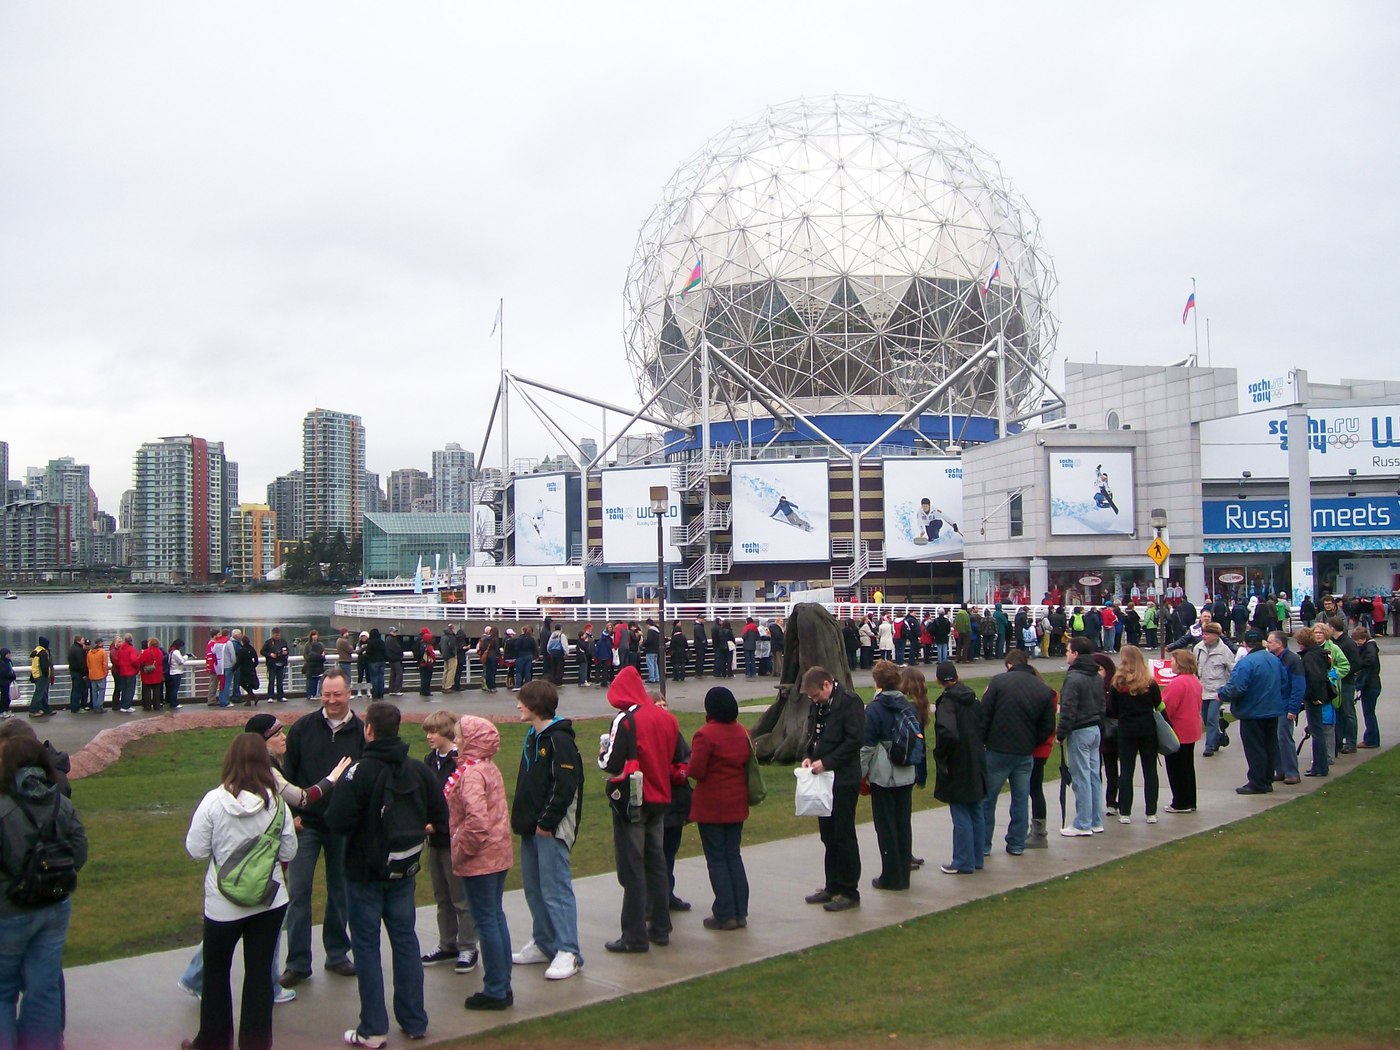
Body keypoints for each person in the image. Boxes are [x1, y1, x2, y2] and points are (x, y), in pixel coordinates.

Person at [179, 713, 350, 1004]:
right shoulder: (270, 781)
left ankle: (198, 977)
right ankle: (266, 986)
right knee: (265, 930)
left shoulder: (216, 797)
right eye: (276, 734)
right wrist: (332, 779)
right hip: (264, 877)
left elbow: (197, 848)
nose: (284, 737)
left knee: (225, 929)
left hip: (226, 880)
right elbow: (301, 801)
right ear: (261, 744)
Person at [326, 702, 444, 1044]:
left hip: (364, 873)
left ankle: (373, 1028)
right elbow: (440, 814)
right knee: (405, 941)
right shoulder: (417, 770)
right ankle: (414, 1020)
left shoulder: (358, 772)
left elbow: (337, 821)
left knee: (366, 947)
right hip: (403, 869)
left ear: (369, 730)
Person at [181, 734, 296, 1050]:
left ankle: (212, 1042)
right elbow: (289, 850)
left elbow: (196, 849)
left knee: (216, 974)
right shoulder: (277, 804)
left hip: (223, 905)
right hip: (269, 902)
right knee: (259, 976)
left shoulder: (213, 801)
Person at [0, 732, 88, 1050]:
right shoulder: (61, 802)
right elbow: (79, 853)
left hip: (9, 911)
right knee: (44, 987)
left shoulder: (3, 807)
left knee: (3, 991)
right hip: (54, 907)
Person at [279, 668, 364, 988]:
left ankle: (337, 953)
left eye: (337, 694)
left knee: (340, 891)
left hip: (343, 827)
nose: (331, 700)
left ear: (349, 694)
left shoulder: (361, 731)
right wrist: (292, 816)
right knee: (298, 892)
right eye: (326, 694)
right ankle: (298, 962)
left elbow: (367, 777)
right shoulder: (303, 728)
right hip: (307, 825)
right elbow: (287, 776)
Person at [598, 666, 681, 951]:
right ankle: (661, 926)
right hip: (661, 796)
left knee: (632, 866)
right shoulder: (666, 718)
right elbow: (675, 755)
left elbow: (611, 762)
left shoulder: (626, 719)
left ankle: (634, 934)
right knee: (656, 861)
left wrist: (602, 753)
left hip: (634, 798)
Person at [509, 679, 584, 980]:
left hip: (550, 829)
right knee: (534, 888)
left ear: (536, 706)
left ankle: (568, 950)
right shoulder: (533, 736)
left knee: (555, 889)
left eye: (523, 701)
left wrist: (547, 823)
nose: (518, 706)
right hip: (531, 827)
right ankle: (544, 942)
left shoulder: (559, 741)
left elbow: (565, 787)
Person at [444, 715, 515, 1011]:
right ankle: (502, 984)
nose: (456, 740)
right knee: (495, 917)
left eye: (459, 736)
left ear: (472, 741)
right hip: (497, 854)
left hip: (481, 859)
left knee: (486, 920)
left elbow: (476, 821)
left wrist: (461, 850)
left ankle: (496, 989)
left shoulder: (472, 774)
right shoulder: (487, 767)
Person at [799, 665, 865, 912]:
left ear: (826, 685)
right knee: (827, 834)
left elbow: (854, 740)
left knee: (843, 834)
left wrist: (828, 762)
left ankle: (849, 890)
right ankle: (832, 885)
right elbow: (813, 734)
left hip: (843, 778)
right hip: (822, 779)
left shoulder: (849, 702)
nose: (814, 700)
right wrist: (808, 755)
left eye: (816, 695)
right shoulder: (817, 705)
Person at [978, 648, 1057, 855]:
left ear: (1009, 666)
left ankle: (984, 844)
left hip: (998, 749)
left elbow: (984, 714)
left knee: (988, 799)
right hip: (1024, 751)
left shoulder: (998, 682)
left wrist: (984, 740)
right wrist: (1031, 742)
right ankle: (1016, 843)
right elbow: (1048, 726)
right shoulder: (1043, 689)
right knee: (1021, 799)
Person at [418, 712, 478, 975]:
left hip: (453, 837)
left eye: (434, 732)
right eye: (427, 732)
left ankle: (468, 945)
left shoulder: (459, 762)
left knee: (460, 897)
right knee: (441, 894)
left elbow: (460, 802)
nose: (429, 737)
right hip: (434, 838)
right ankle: (447, 942)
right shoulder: (429, 760)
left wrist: (440, 824)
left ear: (448, 733)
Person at [688, 685, 751, 930]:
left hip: (712, 806)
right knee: (733, 855)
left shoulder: (705, 735)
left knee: (716, 859)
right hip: (736, 802)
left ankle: (725, 912)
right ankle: (740, 910)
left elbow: (696, 770)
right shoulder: (743, 732)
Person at [861, 660, 918, 890]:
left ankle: (891, 876)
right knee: (903, 824)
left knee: (886, 827)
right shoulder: (908, 706)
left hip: (884, 776)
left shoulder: (875, 709)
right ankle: (903, 873)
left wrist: (859, 774)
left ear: (877, 682)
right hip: (906, 772)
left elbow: (867, 747)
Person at [932, 662, 986, 874]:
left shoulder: (948, 702)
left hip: (958, 760)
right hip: (976, 756)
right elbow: (983, 723)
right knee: (975, 808)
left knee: (961, 809)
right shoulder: (972, 697)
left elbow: (947, 732)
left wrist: (941, 754)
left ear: (939, 680)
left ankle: (963, 860)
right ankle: (977, 857)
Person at [1217, 630, 1287, 795]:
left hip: (1252, 711)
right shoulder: (1274, 660)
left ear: (1245, 644)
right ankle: (1267, 779)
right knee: (1269, 745)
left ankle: (1257, 782)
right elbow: (1284, 681)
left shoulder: (1247, 663)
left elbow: (1237, 687)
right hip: (1272, 710)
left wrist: (1222, 694)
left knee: (1255, 748)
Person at [1107, 645, 1162, 824]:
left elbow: (1113, 709)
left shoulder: (1118, 683)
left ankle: (1125, 812)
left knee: (1126, 771)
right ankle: (1151, 812)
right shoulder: (1150, 683)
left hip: (1126, 729)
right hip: (1147, 728)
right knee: (1150, 770)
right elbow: (1158, 704)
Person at [1057, 637, 1106, 836]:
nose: (1066, 654)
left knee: (1081, 777)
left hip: (1080, 729)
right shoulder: (1096, 675)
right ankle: (1095, 820)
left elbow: (1068, 708)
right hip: (1094, 728)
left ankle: (1083, 823)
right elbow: (1102, 704)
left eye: (1068, 651)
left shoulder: (1074, 677)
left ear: (1076, 654)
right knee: (1093, 775)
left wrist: (1061, 733)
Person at [1160, 648, 1204, 813]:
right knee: (1187, 767)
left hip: (1178, 730)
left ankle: (1180, 802)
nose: (1170, 664)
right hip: (1191, 728)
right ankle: (1189, 800)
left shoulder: (1178, 683)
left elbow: (1167, 707)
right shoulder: (1194, 680)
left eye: (1173, 661)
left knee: (1176, 768)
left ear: (1180, 664)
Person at [1269, 629, 1306, 784]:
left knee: (1285, 739)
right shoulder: (1273, 658)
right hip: (1274, 705)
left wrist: (1293, 708)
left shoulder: (1292, 660)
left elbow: (1299, 686)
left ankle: (1292, 773)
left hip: (1286, 706)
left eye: (1270, 642)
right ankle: (1281, 770)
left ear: (1279, 644)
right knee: (1275, 739)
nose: (1268, 644)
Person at [1194, 623, 1237, 757]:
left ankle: (1210, 746)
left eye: (1207, 634)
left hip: (1217, 691)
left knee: (1212, 717)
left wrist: (1227, 689)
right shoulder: (1198, 648)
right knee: (1205, 717)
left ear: (1215, 636)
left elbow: (1233, 671)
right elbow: (1194, 666)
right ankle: (1218, 736)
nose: (1204, 636)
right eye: (1203, 633)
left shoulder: (1224, 651)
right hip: (1202, 689)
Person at [1298, 627, 1334, 777]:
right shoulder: (1319, 653)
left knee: (1317, 732)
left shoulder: (1310, 657)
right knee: (1318, 731)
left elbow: (1314, 678)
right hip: (1319, 695)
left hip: (1314, 698)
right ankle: (1320, 766)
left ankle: (1320, 766)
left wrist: (1312, 696)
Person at [1322, 617, 1359, 756]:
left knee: (1348, 712)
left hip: (1346, 683)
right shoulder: (1333, 643)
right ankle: (1338, 742)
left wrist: (1338, 673)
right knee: (1339, 713)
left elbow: (1356, 664)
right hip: (1336, 683)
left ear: (1332, 628)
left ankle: (1351, 742)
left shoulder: (1348, 643)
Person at [1351, 626, 1381, 749]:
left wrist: (1358, 665)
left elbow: (1369, 661)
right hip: (1372, 684)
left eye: (1358, 641)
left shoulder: (1369, 648)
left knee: (1369, 713)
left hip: (1370, 685)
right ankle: (1371, 738)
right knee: (1369, 713)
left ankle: (1371, 740)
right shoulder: (1369, 647)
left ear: (1363, 639)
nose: (1357, 644)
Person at [260, 629, 289, 703]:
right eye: (276, 635)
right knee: (271, 680)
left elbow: (287, 650)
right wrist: (270, 654)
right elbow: (262, 651)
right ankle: (270, 696)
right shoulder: (268, 642)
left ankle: (280, 696)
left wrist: (285, 652)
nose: (277, 636)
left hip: (281, 663)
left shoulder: (283, 642)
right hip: (272, 664)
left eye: (278, 635)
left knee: (280, 681)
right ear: (273, 634)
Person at [27, 637, 53, 719]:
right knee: (39, 694)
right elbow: (44, 666)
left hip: (36, 675)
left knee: (41, 693)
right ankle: (33, 710)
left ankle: (44, 709)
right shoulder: (43, 653)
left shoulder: (36, 651)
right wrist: (47, 674)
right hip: (42, 676)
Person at [138, 637, 166, 713]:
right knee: (157, 691)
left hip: (148, 674)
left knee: (147, 691)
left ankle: (147, 706)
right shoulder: (160, 652)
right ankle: (157, 706)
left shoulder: (146, 652)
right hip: (157, 674)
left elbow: (140, 661)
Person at [85, 638, 109, 714]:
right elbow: (105, 664)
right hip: (101, 675)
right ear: (100, 643)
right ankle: (99, 706)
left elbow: (88, 664)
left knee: (94, 692)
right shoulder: (102, 652)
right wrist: (105, 673)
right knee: (101, 691)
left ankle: (95, 706)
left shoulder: (89, 652)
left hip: (92, 675)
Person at [302, 631, 326, 703]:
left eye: (316, 635)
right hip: (311, 666)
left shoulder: (320, 644)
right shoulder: (307, 645)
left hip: (317, 666)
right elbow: (305, 655)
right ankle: (311, 694)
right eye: (313, 635)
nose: (315, 636)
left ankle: (314, 694)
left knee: (316, 681)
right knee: (311, 681)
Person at [166, 638, 190, 711]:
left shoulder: (171, 651)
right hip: (176, 672)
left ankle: (171, 701)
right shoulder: (176, 652)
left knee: (172, 689)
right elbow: (181, 661)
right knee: (175, 689)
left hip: (171, 672)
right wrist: (186, 656)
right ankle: (174, 703)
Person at [66, 636, 87, 714]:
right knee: (77, 691)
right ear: (78, 641)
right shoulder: (79, 650)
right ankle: (76, 708)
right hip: (78, 673)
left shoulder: (72, 648)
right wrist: (84, 674)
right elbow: (81, 663)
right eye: (83, 640)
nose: (84, 641)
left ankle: (74, 707)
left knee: (75, 690)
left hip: (73, 672)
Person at [476, 627, 501, 694]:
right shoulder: (495, 639)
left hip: (487, 657)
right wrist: (500, 657)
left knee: (488, 671)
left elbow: (482, 648)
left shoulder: (485, 639)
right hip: (493, 657)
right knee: (493, 672)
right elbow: (497, 650)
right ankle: (493, 687)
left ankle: (488, 686)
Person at [363, 629, 386, 700]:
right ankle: (381, 694)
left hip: (373, 662)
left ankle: (375, 694)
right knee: (381, 678)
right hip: (382, 661)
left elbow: (368, 652)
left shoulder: (371, 642)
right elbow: (385, 651)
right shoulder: (382, 642)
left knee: (374, 678)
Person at [439, 624, 460, 694]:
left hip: (445, 656)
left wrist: (443, 654)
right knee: (451, 672)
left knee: (446, 671)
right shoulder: (451, 637)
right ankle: (448, 687)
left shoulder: (443, 637)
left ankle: (443, 685)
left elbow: (439, 646)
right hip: (451, 656)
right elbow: (452, 647)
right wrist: (454, 654)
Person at [0, 649, 17, 719]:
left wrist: (13, 676)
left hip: (9, 681)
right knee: (4, 696)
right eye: (7, 653)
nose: (9, 655)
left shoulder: (9, 661)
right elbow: (2, 672)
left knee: (8, 697)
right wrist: (10, 675)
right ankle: (2, 711)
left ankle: (7, 709)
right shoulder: (1, 662)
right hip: (3, 681)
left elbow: (11, 670)